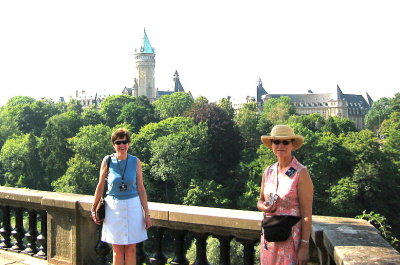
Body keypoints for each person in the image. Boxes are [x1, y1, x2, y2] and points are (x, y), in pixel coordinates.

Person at [91, 128, 152, 265]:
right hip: (113, 207)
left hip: (133, 207)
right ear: (114, 145)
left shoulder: (135, 162)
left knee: (131, 249)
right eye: (118, 142)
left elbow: (141, 188)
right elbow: (100, 186)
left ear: (128, 144)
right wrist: (93, 208)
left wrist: (147, 214)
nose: (122, 145)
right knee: (117, 249)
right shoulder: (107, 161)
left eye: (125, 142)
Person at [257, 125, 313, 265]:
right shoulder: (268, 171)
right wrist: (264, 207)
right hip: (269, 240)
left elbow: (307, 214)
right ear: (272, 145)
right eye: (276, 142)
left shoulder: (301, 173)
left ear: (292, 145)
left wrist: (304, 246)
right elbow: (260, 200)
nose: (280, 145)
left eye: (285, 142)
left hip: (291, 241)